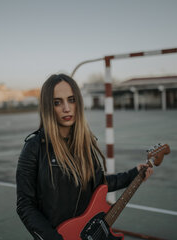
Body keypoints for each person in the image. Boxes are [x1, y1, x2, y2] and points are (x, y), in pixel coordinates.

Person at [16, 74, 153, 240]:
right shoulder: (34, 147)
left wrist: (133, 174)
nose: (67, 108)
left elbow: (98, 185)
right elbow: (25, 204)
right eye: (57, 102)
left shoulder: (85, 144)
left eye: (71, 99)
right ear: (48, 107)